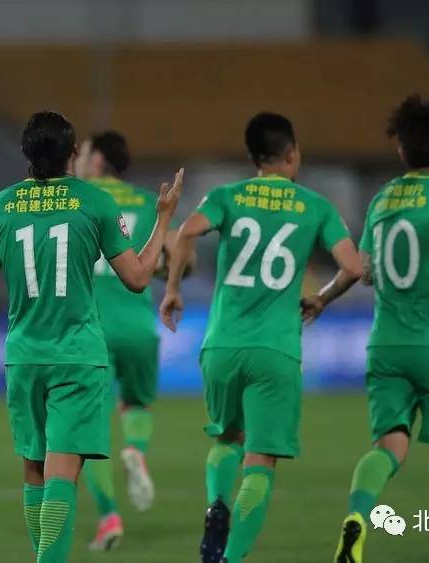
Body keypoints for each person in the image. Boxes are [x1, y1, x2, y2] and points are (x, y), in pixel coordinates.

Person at [0, 130, 195, 551]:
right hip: (78, 353)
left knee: (34, 471)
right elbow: (138, 277)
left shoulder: (4, 203)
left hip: (24, 356)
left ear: (26, 152)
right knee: (66, 469)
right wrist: (165, 217)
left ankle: (89, 527)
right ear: (72, 153)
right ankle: (120, 478)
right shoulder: (94, 200)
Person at [160, 112, 363, 563]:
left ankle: (216, 505)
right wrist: (322, 298)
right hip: (276, 348)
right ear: (292, 155)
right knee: (261, 460)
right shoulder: (316, 205)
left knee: (227, 439)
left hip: (222, 344)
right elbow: (353, 267)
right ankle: (230, 559)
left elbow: (187, 231)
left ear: (254, 157)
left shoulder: (226, 196)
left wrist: (173, 289)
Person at [331, 95, 429, 563]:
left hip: (385, 344)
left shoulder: (382, 198)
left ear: (401, 150)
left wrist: (321, 298)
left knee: (389, 447)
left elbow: (362, 269)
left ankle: (357, 519)